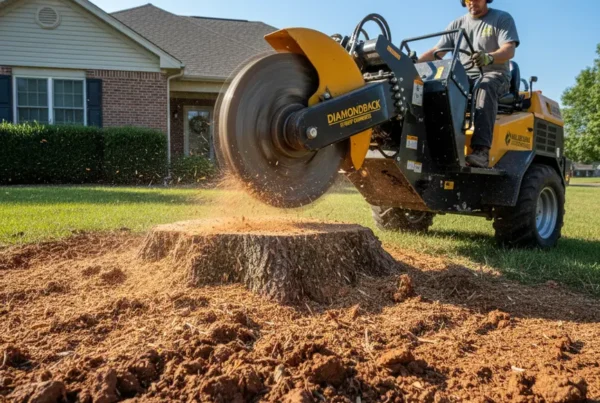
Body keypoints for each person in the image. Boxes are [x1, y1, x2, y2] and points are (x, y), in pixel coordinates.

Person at [419, 0, 520, 168]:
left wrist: (489, 57)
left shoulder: (501, 18)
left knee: (484, 87)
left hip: (494, 75)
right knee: (435, 87)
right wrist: (412, 62)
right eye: (467, 0)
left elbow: (509, 50)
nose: (472, 2)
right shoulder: (457, 24)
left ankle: (481, 151)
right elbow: (437, 52)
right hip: (464, 76)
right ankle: (433, 147)